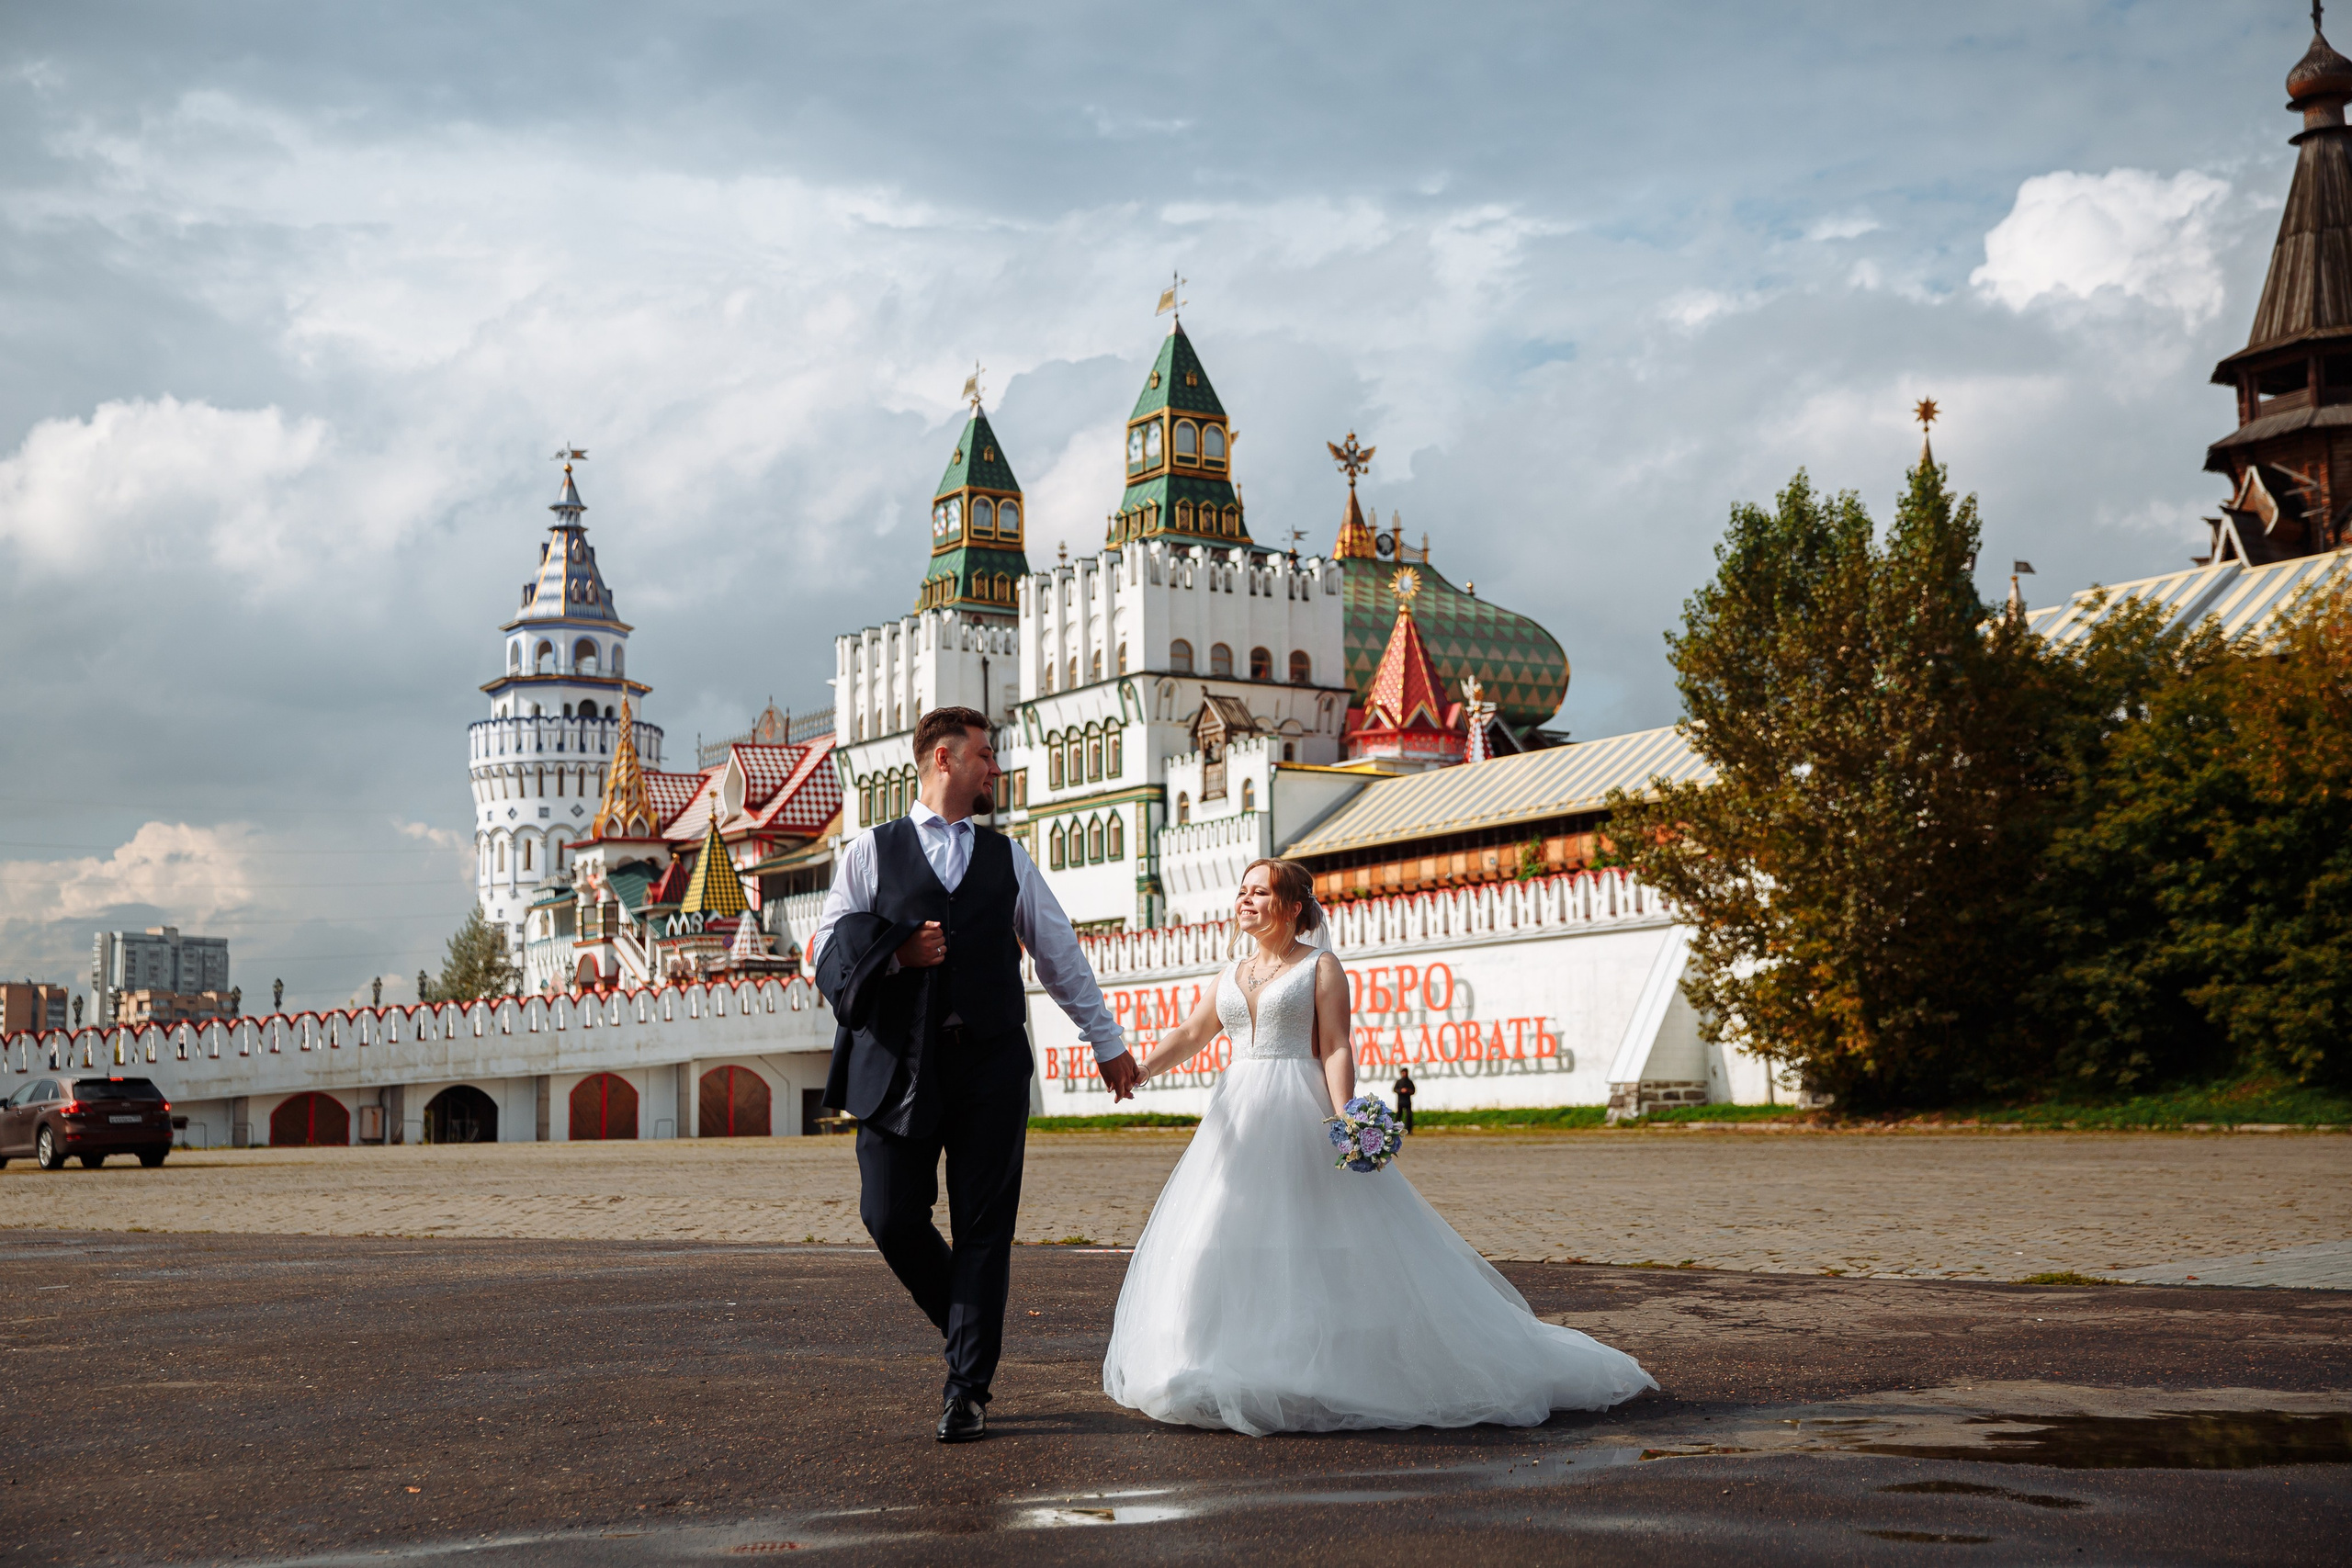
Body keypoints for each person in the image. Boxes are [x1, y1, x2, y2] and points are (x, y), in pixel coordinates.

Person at [1102, 857, 1655, 1435]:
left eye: (1259, 892)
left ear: (1292, 907)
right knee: (1219, 1229)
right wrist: (1140, 1070)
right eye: (1241, 891)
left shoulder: (1321, 967)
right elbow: (1194, 1033)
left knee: (1311, 1234)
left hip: (1300, 1105)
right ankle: (1214, 1358)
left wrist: (1346, 1117)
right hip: (1235, 1114)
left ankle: (1318, 1362)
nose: (1245, 901)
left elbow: (1337, 1045)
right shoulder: (1229, 974)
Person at [812, 706, 1137, 1444]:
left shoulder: (1008, 857)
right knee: (889, 1214)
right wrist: (898, 954)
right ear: (942, 760)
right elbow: (827, 953)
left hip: (990, 1062)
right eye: (985, 755)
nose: (995, 768)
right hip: (898, 1064)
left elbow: (1058, 952)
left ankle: (968, 1387)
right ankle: (967, 1320)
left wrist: (1105, 1039)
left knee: (985, 1229)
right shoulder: (869, 851)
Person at [1392, 1066, 1417, 1134]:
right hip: (1400, 1101)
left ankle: (1409, 1130)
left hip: (1407, 1101)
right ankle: (1395, 1129)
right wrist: (1401, 1091)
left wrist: (1407, 1091)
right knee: (1399, 1115)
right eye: (1403, 1073)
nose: (1404, 1074)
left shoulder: (1409, 1082)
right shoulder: (1399, 1082)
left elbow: (1413, 1091)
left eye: (1405, 1072)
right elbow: (1394, 1089)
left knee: (1409, 1115)